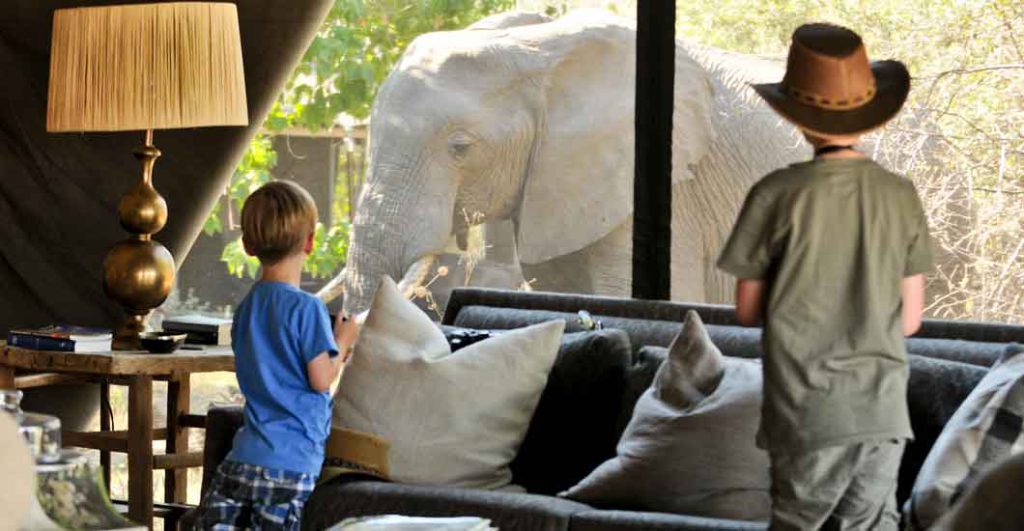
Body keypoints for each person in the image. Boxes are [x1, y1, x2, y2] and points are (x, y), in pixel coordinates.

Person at [717, 23, 933, 531]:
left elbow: (747, 312)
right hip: (881, 413)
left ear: (798, 118)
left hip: (806, 411)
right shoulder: (901, 195)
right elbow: (909, 322)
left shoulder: (774, 193)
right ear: (869, 113)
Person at [195, 180, 358, 530]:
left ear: (248, 245)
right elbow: (320, 380)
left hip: (242, 457)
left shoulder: (246, 308)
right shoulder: (308, 308)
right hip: (291, 464)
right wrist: (343, 341)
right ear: (311, 242)